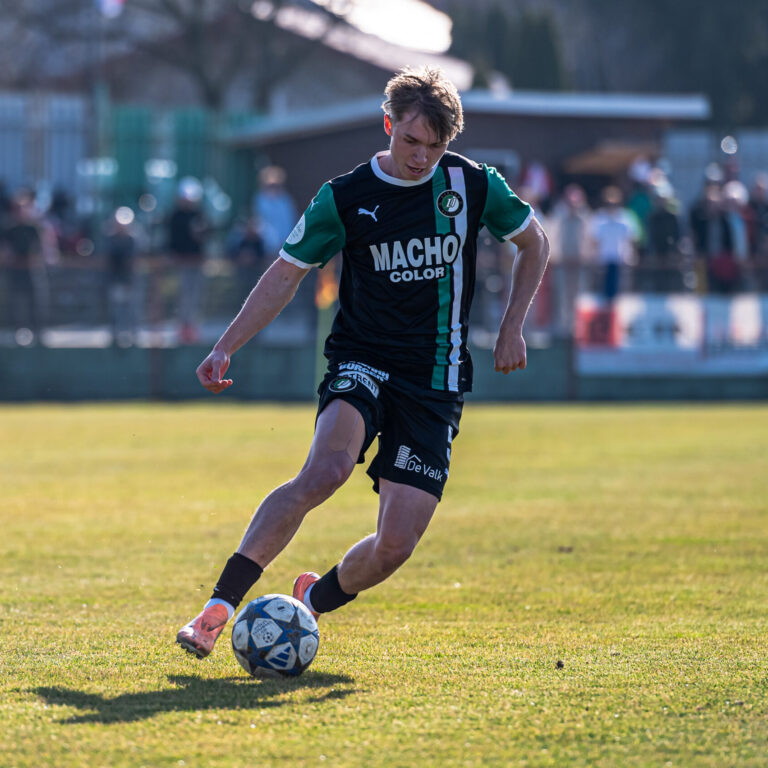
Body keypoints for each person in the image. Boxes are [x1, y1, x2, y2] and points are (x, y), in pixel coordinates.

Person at [176, 66, 549, 659]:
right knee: (324, 472)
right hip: (363, 359)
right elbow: (285, 275)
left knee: (395, 546)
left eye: (434, 146)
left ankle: (312, 598)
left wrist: (512, 327)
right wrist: (226, 344)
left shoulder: (473, 184)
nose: (421, 157)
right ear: (388, 125)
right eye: (411, 140)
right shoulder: (345, 197)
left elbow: (535, 242)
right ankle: (217, 608)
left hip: (436, 379)